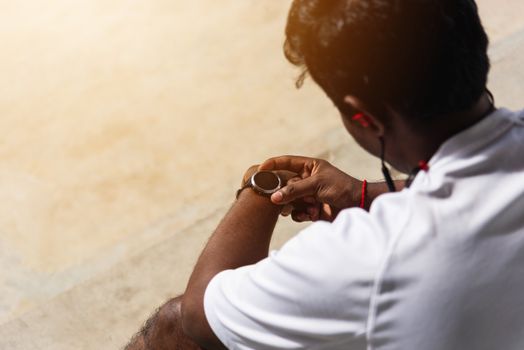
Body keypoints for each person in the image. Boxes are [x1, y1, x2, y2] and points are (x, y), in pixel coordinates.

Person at [125, 0, 524, 349]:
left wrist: (260, 189)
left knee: (171, 325)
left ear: (361, 116)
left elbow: (199, 315)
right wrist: (364, 193)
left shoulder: (366, 256)